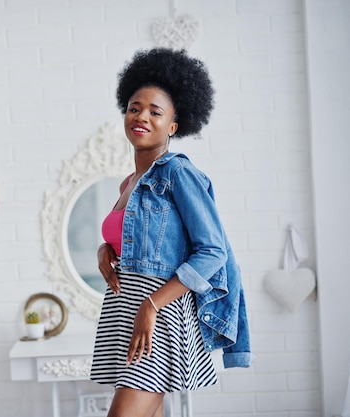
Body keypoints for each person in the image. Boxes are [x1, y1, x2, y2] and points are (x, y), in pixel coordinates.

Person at [89, 48, 251, 417]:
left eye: (154, 111)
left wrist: (151, 305)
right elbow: (130, 241)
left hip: (157, 314)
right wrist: (104, 249)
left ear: (173, 127)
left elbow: (212, 252)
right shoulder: (129, 183)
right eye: (134, 107)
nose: (141, 116)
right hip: (126, 311)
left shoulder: (178, 173)